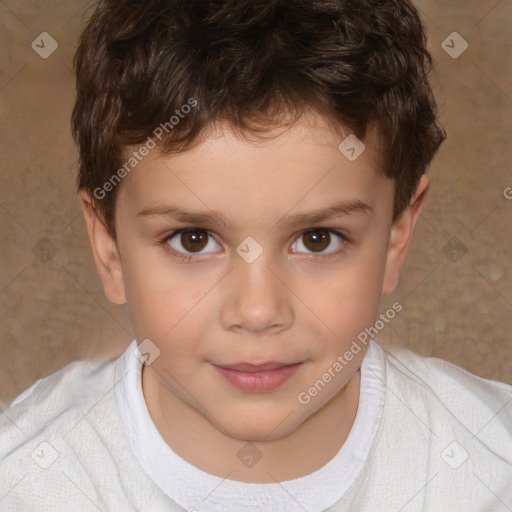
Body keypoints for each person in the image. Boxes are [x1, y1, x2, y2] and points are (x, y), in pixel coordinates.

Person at [1, 0, 511, 510]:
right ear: (109, 248)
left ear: (397, 236)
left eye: (317, 239)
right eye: (193, 240)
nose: (258, 311)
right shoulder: (28, 481)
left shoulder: (489, 466)